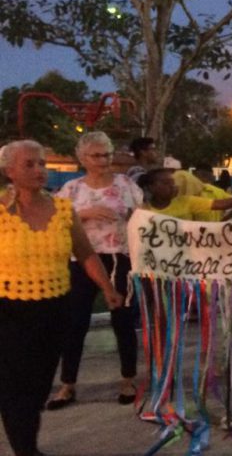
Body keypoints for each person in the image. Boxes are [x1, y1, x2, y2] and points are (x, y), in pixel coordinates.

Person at [0, 140, 123, 456]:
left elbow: (85, 254)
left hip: (54, 310)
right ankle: (26, 450)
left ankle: (27, 441)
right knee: (16, 389)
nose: (39, 170)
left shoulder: (63, 210)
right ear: (8, 171)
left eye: (42, 163)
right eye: (29, 164)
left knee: (40, 386)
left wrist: (108, 289)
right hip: (8, 311)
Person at [46, 132, 143, 411]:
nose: (103, 160)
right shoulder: (71, 189)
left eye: (107, 154)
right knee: (75, 322)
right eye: (96, 155)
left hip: (118, 258)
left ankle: (127, 379)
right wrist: (84, 214)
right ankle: (68, 383)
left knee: (123, 320)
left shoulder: (126, 184)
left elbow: (143, 217)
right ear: (82, 158)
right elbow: (55, 222)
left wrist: (129, 218)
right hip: (81, 260)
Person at [138, 168, 232, 220]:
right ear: (151, 187)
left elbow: (221, 204)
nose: (171, 186)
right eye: (166, 183)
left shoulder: (187, 202)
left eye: (172, 183)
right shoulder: (141, 211)